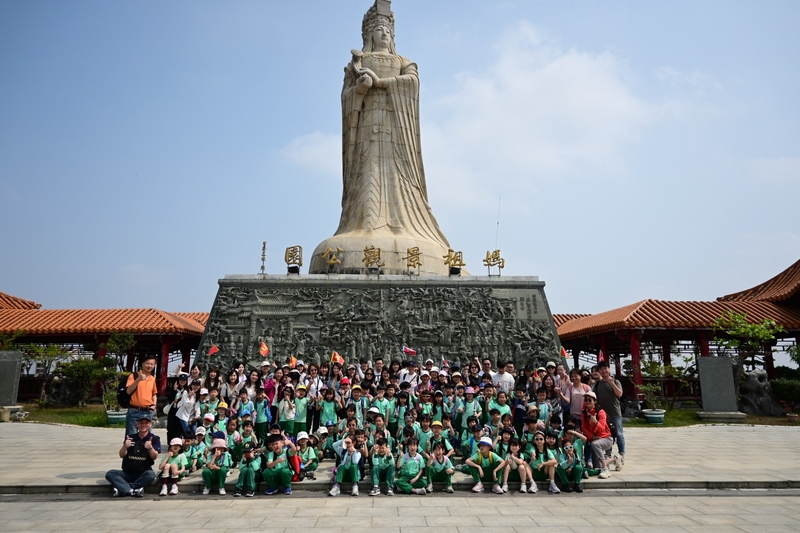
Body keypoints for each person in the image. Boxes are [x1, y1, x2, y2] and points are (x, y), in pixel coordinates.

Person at [105, 414, 161, 497]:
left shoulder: (154, 438)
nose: (143, 425)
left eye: (146, 423)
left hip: (143, 473)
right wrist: (125, 446)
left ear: (150, 424)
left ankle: (125, 488)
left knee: (151, 475)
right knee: (110, 473)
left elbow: (154, 457)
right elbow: (121, 455)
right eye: (141, 423)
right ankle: (133, 489)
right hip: (127, 472)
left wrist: (150, 448)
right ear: (137, 424)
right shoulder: (130, 437)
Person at [593, 361, 625, 469]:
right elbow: (594, 397)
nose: (603, 371)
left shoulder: (615, 381)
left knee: (619, 434)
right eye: (601, 369)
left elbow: (619, 394)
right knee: (607, 435)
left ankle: (622, 455)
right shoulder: (598, 384)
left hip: (615, 413)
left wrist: (612, 384)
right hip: (603, 415)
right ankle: (609, 454)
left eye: (605, 368)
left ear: (609, 369)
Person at [123, 355, 158, 436]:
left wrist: (154, 405)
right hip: (134, 411)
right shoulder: (133, 376)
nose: (149, 366)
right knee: (131, 437)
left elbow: (154, 394)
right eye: (147, 363)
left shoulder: (152, 379)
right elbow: (128, 391)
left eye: (152, 364)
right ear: (142, 364)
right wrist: (138, 380)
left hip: (148, 411)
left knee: (147, 437)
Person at [581, 391, 613, 478]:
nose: (587, 402)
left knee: (595, 444)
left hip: (606, 438)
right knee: (597, 467)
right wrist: (592, 437)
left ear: (595, 401)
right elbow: (584, 428)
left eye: (590, 400)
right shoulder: (584, 413)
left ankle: (605, 469)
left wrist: (595, 422)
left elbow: (602, 428)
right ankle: (613, 459)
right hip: (594, 440)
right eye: (586, 400)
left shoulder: (601, 412)